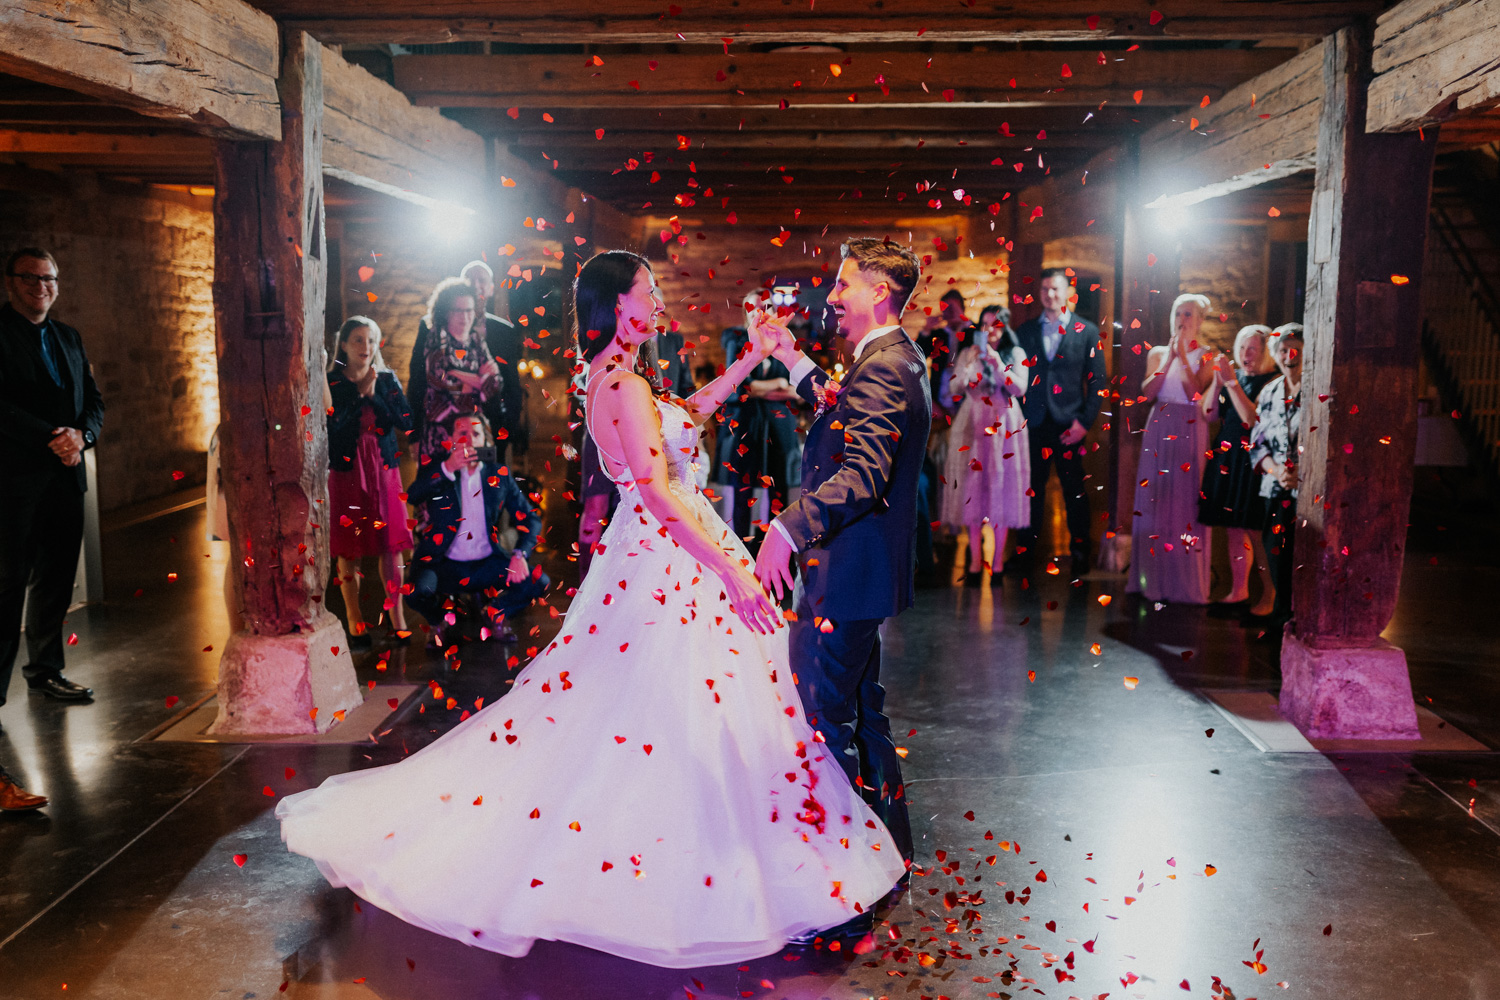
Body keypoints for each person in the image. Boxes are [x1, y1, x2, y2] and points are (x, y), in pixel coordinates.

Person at [278, 250, 902, 967]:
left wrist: (747, 362)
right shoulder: (623, 385)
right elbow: (662, 494)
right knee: (660, 708)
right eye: (650, 290)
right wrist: (732, 568)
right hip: (671, 557)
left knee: (671, 706)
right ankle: (671, 855)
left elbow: (686, 416)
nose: (661, 301)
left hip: (668, 552)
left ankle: (696, 838)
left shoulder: (622, 379)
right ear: (618, 304)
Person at [755, 237, 933, 940]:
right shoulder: (888, 360)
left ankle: (839, 887)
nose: (831, 295)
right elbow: (838, 410)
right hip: (862, 573)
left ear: (879, 293)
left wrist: (787, 529)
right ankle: (889, 851)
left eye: (843, 283)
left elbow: (862, 474)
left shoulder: (885, 369)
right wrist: (786, 353)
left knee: (829, 724)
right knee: (863, 712)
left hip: (847, 571)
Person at [0, 246, 102, 813]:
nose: (41, 286)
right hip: (14, 482)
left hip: (66, 479)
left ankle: (46, 671)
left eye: (49, 278)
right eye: (31, 278)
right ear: (11, 281)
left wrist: (82, 436)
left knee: (57, 578)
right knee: (9, 583)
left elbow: (96, 402)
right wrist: (52, 436)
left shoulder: (69, 337)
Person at [405, 414, 547, 646]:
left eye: (476, 434)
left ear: (485, 441)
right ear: (452, 440)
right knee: (414, 592)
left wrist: (520, 554)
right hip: (445, 563)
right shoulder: (438, 466)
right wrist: (448, 467)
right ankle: (439, 620)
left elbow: (531, 518)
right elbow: (413, 495)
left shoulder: (497, 475)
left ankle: (496, 613)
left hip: (486, 561)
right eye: (462, 434)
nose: (469, 440)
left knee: (538, 582)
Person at [577, 328, 696, 576]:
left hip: (655, 427)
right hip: (609, 426)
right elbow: (583, 381)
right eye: (651, 295)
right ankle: (588, 579)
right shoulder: (606, 348)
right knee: (595, 508)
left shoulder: (665, 341)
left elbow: (683, 390)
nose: (658, 307)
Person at [326, 317, 414, 647]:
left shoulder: (387, 379)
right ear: (344, 345)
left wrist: (376, 396)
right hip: (348, 470)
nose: (366, 347)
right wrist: (359, 395)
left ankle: (397, 617)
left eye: (371, 340)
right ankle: (354, 620)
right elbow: (332, 428)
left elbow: (406, 421)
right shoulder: (333, 382)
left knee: (391, 544)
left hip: (383, 468)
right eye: (358, 340)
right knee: (350, 548)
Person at [1013, 268, 1106, 576]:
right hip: (1035, 422)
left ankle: (1080, 553)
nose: (1049, 295)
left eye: (1055, 289)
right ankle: (1026, 553)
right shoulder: (1026, 331)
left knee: (1074, 490)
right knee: (1032, 489)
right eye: (1044, 290)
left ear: (1067, 292)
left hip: (1070, 424)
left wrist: (1085, 421)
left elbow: (1098, 382)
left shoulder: (1087, 331)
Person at [1126, 293, 1218, 604]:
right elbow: (1149, 391)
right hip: (1160, 424)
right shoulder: (1157, 353)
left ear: (1200, 320)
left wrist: (1183, 358)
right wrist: (1169, 358)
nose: (1182, 319)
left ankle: (1184, 584)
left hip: (1190, 427)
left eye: (1189, 314)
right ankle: (1150, 579)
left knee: (1184, 501)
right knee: (1156, 498)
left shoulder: (1208, 356)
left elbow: (1196, 395)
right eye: (1178, 313)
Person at [940, 305, 1030, 587]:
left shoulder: (1015, 354)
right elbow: (954, 388)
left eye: (995, 325)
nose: (989, 330)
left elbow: (1020, 388)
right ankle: (976, 560)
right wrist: (968, 368)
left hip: (1004, 421)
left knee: (1000, 489)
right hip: (973, 422)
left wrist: (996, 364)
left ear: (1005, 327)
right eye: (985, 325)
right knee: (972, 489)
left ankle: (999, 562)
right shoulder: (968, 353)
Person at [1199, 324, 1279, 620]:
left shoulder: (1271, 382)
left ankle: (1270, 597)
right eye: (1242, 347)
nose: (1246, 354)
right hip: (1228, 457)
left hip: (1254, 460)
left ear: (1265, 352)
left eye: (1253, 348)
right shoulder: (1236, 380)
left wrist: (1231, 384)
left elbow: (1251, 419)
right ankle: (1239, 591)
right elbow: (1207, 415)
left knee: (1256, 532)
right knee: (1234, 528)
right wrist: (1218, 384)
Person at [409, 261, 525, 462]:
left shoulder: (503, 331)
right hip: (441, 432)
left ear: (491, 288)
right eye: (470, 279)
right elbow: (419, 382)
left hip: (488, 433)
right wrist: (414, 434)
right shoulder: (430, 328)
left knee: (484, 490)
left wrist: (504, 432)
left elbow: (510, 387)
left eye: (482, 280)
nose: (475, 284)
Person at [721, 293, 801, 549]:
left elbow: (797, 390)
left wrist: (764, 388)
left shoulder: (784, 341)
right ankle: (742, 547)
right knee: (744, 487)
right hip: (749, 426)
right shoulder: (736, 339)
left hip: (779, 427)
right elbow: (742, 387)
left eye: (764, 307)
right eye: (753, 307)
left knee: (779, 488)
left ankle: (775, 549)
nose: (759, 311)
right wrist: (778, 385)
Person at [1249, 324, 1304, 631]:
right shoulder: (1269, 391)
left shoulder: (1318, 389)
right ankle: (1282, 619)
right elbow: (1257, 445)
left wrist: (1301, 476)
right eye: (1283, 350)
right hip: (1275, 488)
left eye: (1295, 348)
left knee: (1302, 560)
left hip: (1308, 495)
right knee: (1276, 555)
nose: (1289, 355)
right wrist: (1277, 471)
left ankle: (1299, 622)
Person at [415, 277, 502, 466]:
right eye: (458, 310)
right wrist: (479, 380)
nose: (465, 316)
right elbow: (441, 380)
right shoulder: (436, 336)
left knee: (475, 489)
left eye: (469, 310)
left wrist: (457, 373)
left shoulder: (476, 340)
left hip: (475, 432)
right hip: (443, 434)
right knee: (445, 488)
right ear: (446, 312)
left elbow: (495, 384)